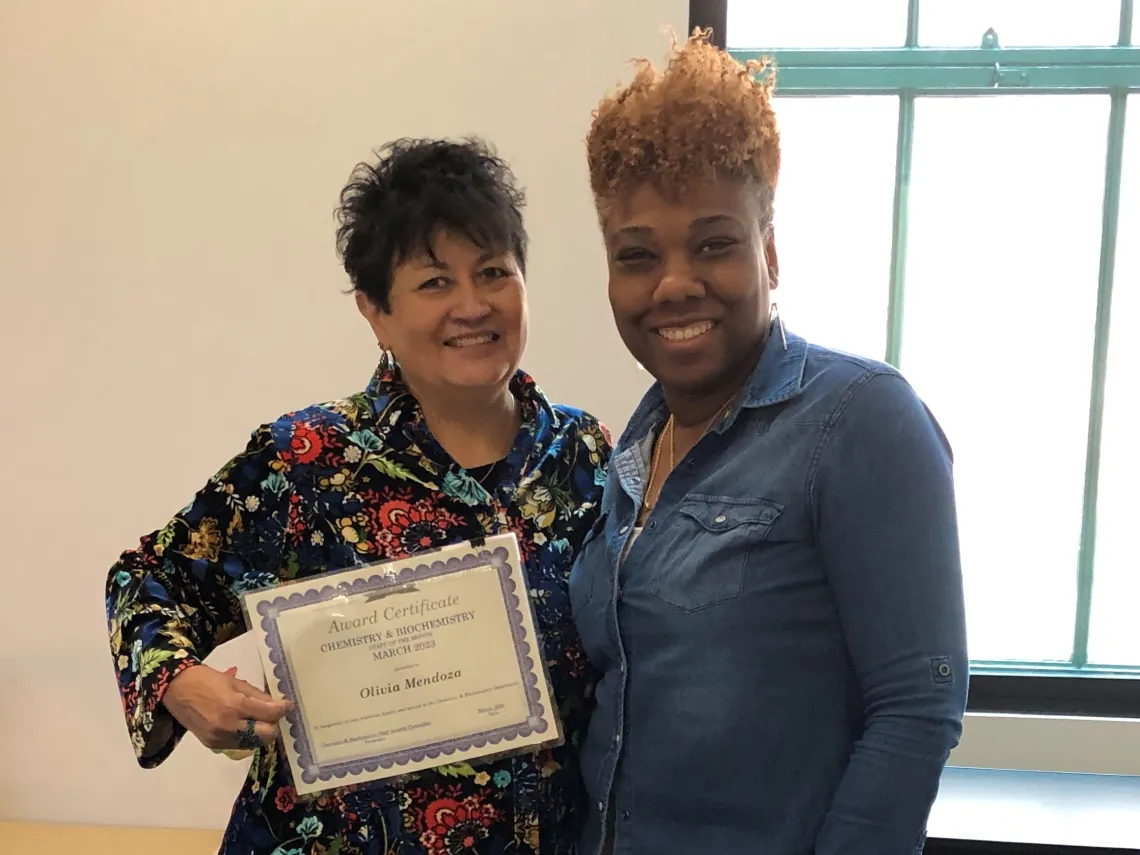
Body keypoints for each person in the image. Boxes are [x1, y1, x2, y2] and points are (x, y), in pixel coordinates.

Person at [106, 137, 611, 855]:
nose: (472, 304)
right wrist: (182, 686)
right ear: (375, 311)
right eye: (435, 282)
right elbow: (146, 579)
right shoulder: (306, 461)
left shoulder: (585, 455)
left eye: (494, 271)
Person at [569, 29, 969, 854]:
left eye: (713, 243)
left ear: (770, 252)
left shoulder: (860, 419)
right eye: (637, 255)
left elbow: (916, 711)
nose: (674, 281)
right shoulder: (635, 445)